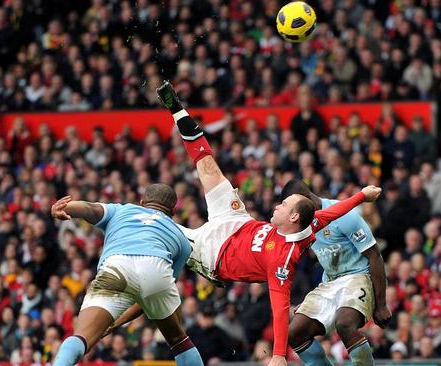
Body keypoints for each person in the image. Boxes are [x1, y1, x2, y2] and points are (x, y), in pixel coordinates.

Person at [149, 81, 382, 366]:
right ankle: (175, 108)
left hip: (213, 253)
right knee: (208, 165)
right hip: (235, 221)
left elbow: (280, 307)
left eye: (283, 204)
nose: (276, 204)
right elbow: (335, 212)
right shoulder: (308, 226)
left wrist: (278, 355)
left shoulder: (281, 261)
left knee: (155, 224)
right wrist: (362, 195)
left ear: (293, 216)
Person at [50, 183, 204, 366]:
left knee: (82, 336)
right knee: (179, 341)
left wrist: (62, 208)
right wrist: (114, 323)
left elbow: (90, 208)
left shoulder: (122, 210)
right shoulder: (182, 239)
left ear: (142, 202)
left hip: (117, 265)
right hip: (157, 268)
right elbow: (149, 296)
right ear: (172, 211)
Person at [280, 179, 391, 366]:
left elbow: (374, 256)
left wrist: (381, 304)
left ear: (306, 199)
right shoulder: (303, 223)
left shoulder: (344, 215)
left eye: (294, 209)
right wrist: (308, 304)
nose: (294, 216)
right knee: (294, 333)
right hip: (330, 282)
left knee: (345, 324)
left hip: (358, 277)